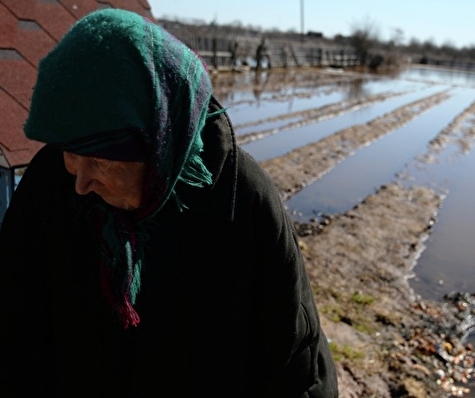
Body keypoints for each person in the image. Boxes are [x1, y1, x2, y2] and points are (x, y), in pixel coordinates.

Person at [0, 9, 338, 397]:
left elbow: (295, 364)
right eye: (71, 158)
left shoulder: (240, 199)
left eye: (99, 162)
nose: (80, 184)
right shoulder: (50, 184)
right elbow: (15, 326)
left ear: (159, 146)